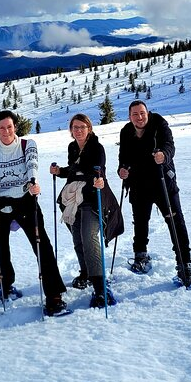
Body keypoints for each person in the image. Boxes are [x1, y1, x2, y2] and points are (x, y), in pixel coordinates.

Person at [0, 110, 69, 316]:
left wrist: (33, 182)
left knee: (41, 246)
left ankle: (54, 296)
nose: (6, 131)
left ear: (15, 127)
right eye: (2, 127)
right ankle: (5, 284)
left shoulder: (28, 145)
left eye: (9, 127)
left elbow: (32, 164)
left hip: (25, 200)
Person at [117, 100, 191, 287]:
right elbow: (124, 157)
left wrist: (164, 154)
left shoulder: (159, 124)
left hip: (163, 182)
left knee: (176, 222)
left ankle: (184, 265)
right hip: (138, 184)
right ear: (129, 116)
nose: (139, 117)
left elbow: (170, 146)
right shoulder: (126, 131)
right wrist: (122, 170)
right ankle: (141, 256)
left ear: (147, 112)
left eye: (142, 113)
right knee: (140, 222)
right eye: (134, 114)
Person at [50, 114, 123, 308]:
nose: (79, 130)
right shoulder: (73, 147)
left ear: (89, 128)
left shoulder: (97, 148)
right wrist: (60, 172)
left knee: (89, 237)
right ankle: (86, 273)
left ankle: (101, 287)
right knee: (77, 239)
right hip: (75, 200)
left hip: (92, 198)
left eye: (82, 127)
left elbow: (98, 172)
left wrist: (95, 177)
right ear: (71, 130)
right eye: (75, 127)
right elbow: (75, 171)